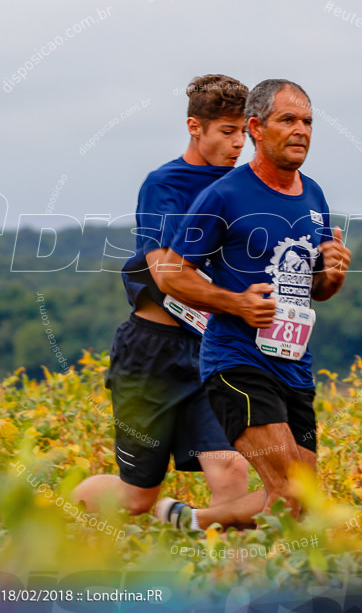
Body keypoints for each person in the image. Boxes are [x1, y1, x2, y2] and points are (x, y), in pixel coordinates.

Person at [154, 79, 350, 531]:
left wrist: (333, 274)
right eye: (288, 120)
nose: (301, 130)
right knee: (290, 493)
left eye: (308, 122)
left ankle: (191, 522)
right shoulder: (224, 195)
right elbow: (171, 274)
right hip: (237, 363)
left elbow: (316, 289)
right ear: (257, 128)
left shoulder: (314, 195)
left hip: (294, 367)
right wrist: (236, 304)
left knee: (302, 500)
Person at [72, 74, 251, 516]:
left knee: (231, 469)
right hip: (152, 353)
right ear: (196, 127)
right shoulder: (165, 185)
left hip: (213, 351)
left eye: (245, 133)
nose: (238, 144)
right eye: (228, 132)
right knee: (137, 497)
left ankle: (231, 580)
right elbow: (166, 273)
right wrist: (238, 304)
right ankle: (51, 520)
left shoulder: (247, 188)